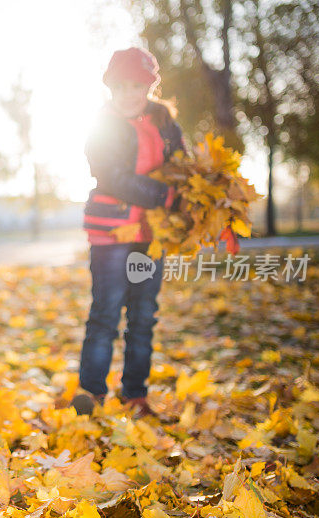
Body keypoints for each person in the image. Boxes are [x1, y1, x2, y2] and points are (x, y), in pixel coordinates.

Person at [72, 47, 185, 417]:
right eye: (120, 86)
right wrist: (166, 196)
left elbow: (183, 167)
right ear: (110, 87)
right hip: (112, 234)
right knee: (105, 311)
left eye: (137, 85)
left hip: (150, 235)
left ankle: (135, 393)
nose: (128, 93)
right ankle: (91, 393)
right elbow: (113, 178)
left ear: (149, 86)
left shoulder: (165, 122)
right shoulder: (100, 126)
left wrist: (190, 194)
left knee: (143, 313)